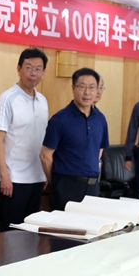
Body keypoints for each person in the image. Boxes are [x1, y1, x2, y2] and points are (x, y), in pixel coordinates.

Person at [0, 48, 49, 230]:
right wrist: (4, 176)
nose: (33, 73)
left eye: (38, 69)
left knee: (30, 232)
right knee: (10, 233)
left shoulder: (43, 101)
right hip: (14, 178)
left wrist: (44, 172)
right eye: (28, 68)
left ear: (43, 72)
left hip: (37, 177)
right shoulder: (7, 99)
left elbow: (42, 139)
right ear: (19, 69)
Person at [40, 68, 109, 211]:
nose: (87, 92)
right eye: (82, 87)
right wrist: (57, 181)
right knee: (64, 225)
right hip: (67, 186)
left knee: (90, 224)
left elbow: (99, 149)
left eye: (92, 87)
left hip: (93, 186)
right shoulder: (60, 119)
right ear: (73, 88)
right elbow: (45, 155)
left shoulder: (100, 119)